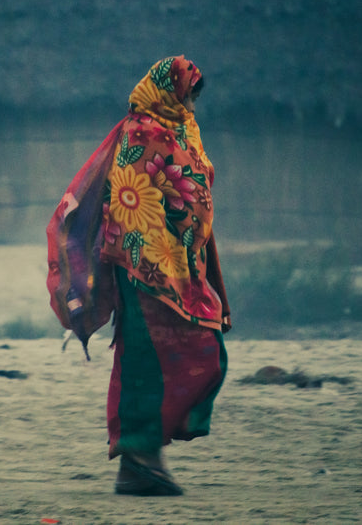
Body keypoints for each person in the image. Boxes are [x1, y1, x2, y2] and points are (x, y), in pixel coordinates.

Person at [46, 55, 231, 497]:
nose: (191, 101)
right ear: (168, 88)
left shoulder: (185, 129)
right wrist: (156, 252)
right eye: (187, 91)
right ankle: (136, 461)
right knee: (145, 362)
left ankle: (145, 456)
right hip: (141, 265)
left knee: (206, 351)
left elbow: (193, 187)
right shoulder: (140, 131)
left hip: (181, 268)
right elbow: (134, 198)